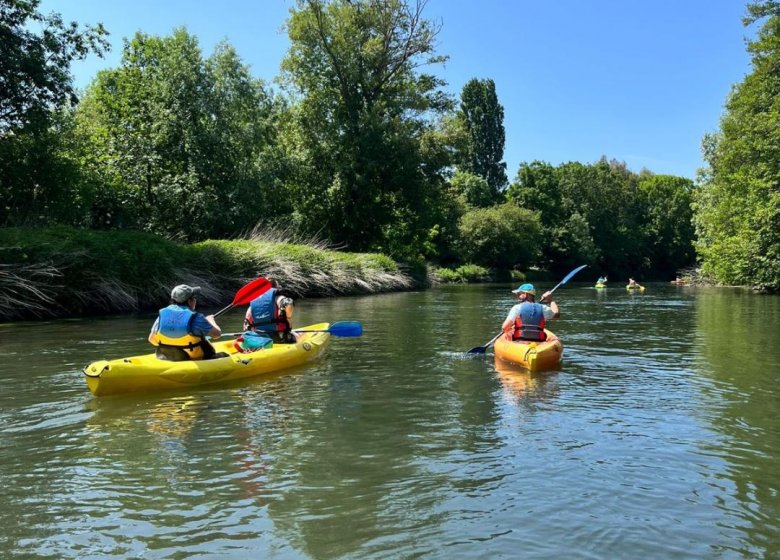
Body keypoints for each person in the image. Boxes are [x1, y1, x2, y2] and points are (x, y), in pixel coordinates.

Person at [148, 284, 224, 361]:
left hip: (167, 357)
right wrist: (210, 320)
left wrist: (174, 344)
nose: (195, 300)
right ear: (189, 301)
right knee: (224, 355)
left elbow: (152, 340)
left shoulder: (162, 315)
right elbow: (217, 334)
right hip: (196, 358)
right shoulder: (197, 317)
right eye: (194, 298)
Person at [243, 279, 297, 344]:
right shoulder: (278, 298)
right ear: (276, 287)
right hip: (278, 338)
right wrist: (288, 317)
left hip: (258, 338)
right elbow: (288, 302)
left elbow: (246, 325)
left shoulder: (253, 303)